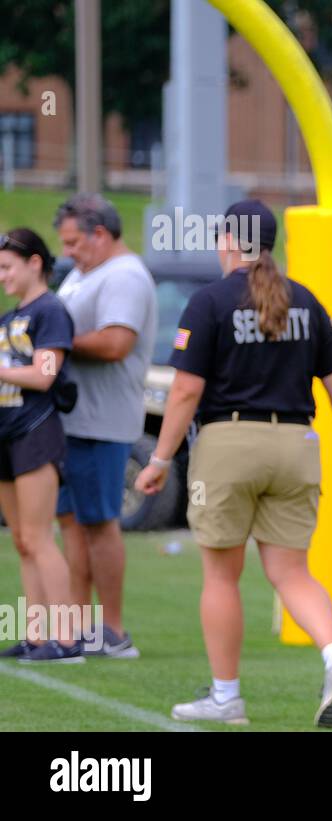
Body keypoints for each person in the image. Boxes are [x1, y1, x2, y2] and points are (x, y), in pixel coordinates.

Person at [135, 200, 332, 728]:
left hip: (229, 444)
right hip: (296, 445)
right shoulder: (306, 301)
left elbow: (184, 392)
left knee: (221, 576)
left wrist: (158, 459)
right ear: (271, 244)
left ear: (227, 241)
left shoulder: (209, 301)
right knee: (291, 572)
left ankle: (227, 698)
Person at [53, 194, 157, 658]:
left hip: (103, 422)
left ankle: (113, 631)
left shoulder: (127, 275)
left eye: (75, 242)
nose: (69, 252)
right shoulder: (84, 272)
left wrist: (52, 342)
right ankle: (76, 628)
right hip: (72, 420)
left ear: (100, 233)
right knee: (72, 523)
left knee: (100, 523)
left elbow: (116, 342)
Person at [0, 228, 81, 663]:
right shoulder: (10, 316)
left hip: (36, 429)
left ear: (35, 263)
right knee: (22, 540)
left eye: (7, 267)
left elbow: (44, 375)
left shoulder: (50, 311)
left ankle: (66, 640)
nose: (1, 276)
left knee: (39, 536)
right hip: (7, 433)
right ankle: (35, 635)